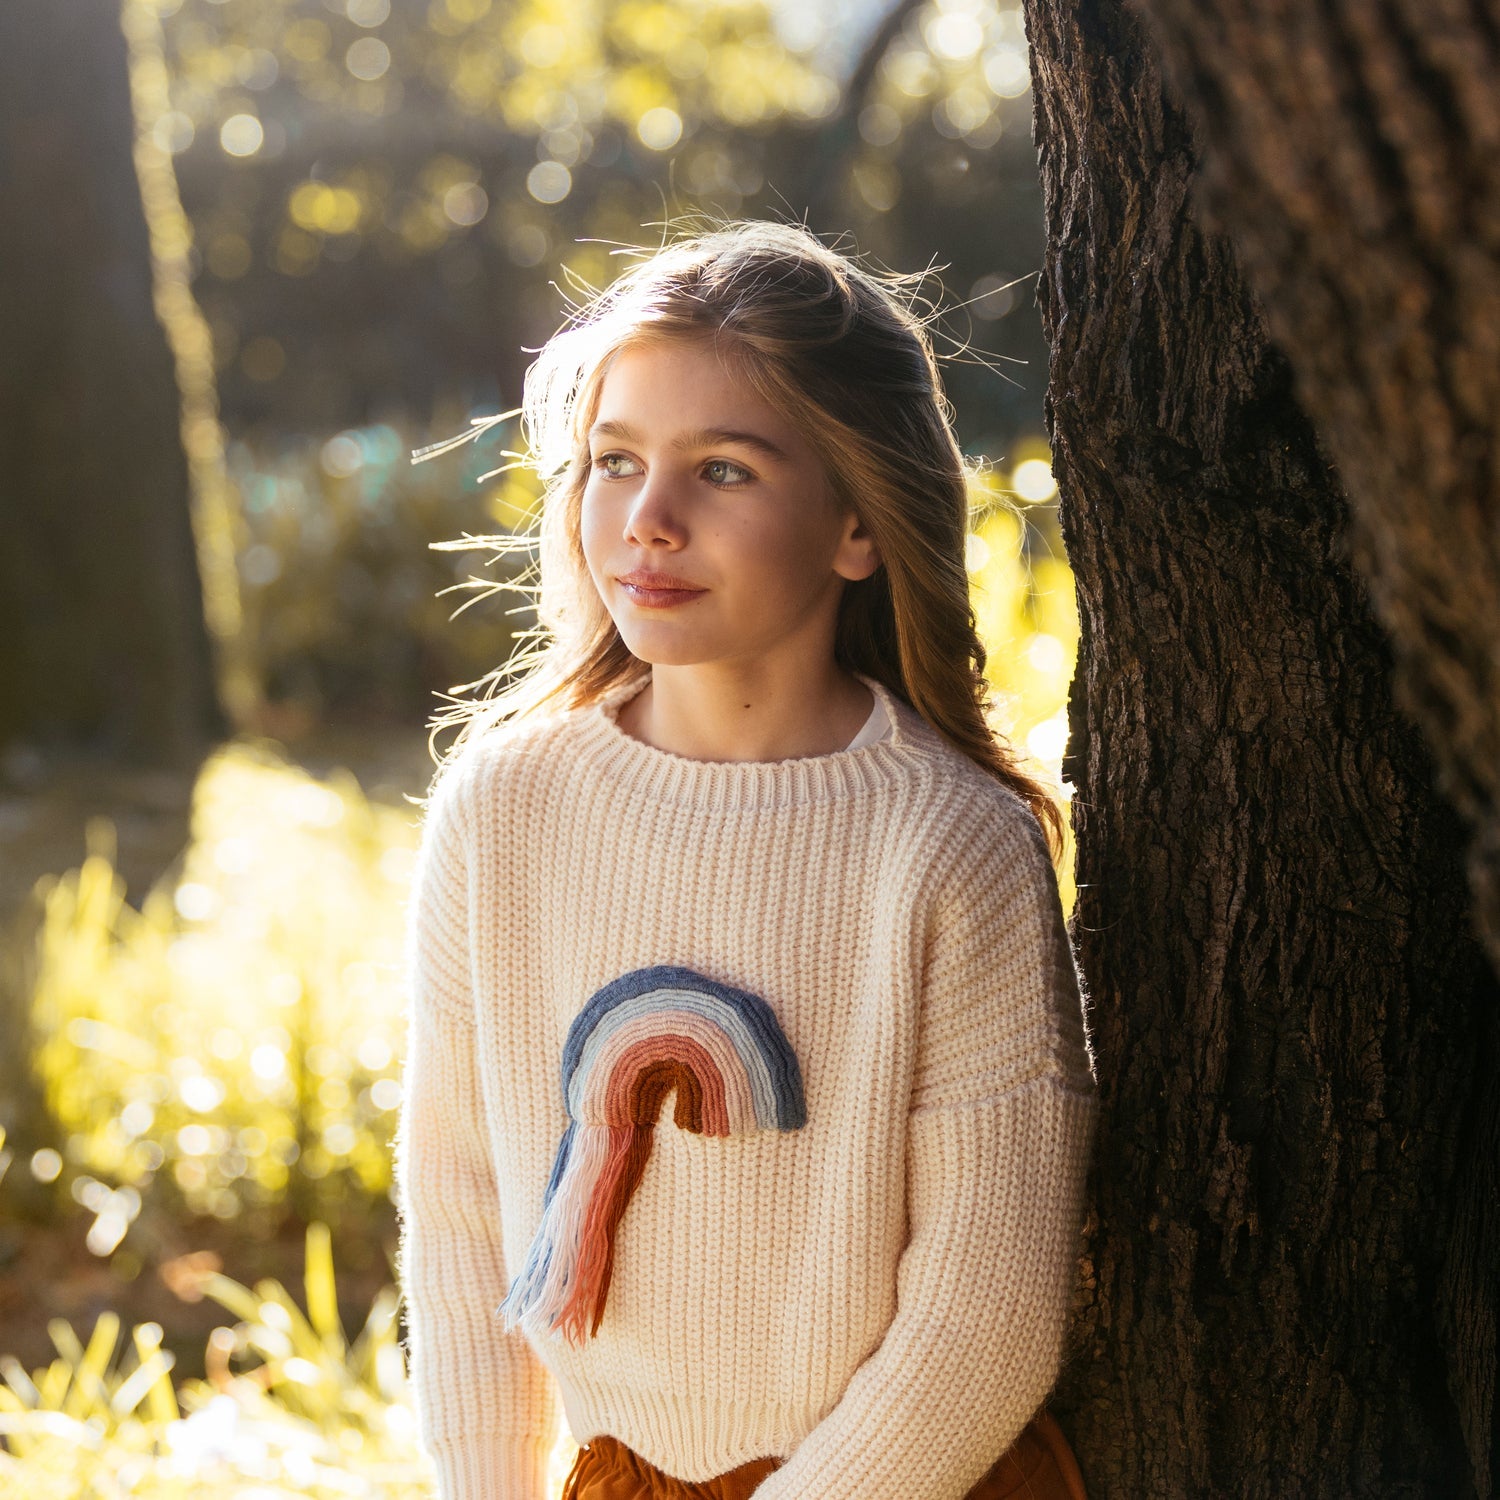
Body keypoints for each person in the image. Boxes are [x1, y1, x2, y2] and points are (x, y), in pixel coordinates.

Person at [394, 216, 1099, 1500]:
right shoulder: (503, 810)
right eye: (615, 462)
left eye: (721, 471)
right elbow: (458, 1210)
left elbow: (986, 1313)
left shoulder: (948, 846)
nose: (648, 520)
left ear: (858, 527)